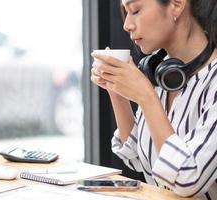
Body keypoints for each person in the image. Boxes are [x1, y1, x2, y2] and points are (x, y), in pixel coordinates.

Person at [90, 0, 217, 199]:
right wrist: (116, 91)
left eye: (135, 10)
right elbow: (137, 158)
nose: (127, 24)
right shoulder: (162, 72)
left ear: (176, 4)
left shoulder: (213, 83)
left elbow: (187, 179)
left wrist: (146, 96)